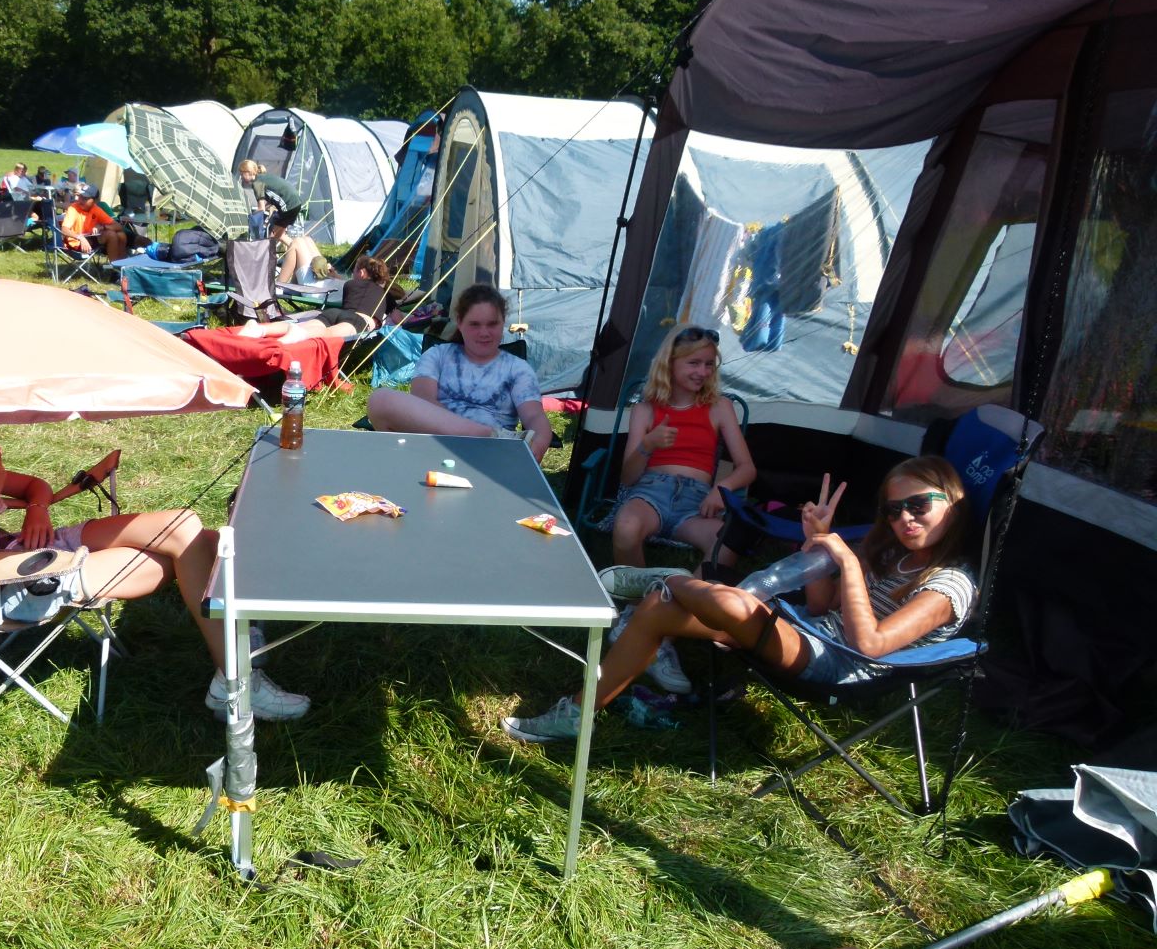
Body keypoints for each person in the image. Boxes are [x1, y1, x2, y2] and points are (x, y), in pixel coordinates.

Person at [501, 456, 977, 742]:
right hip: (810, 631)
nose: (905, 518)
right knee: (658, 609)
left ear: (953, 505)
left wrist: (849, 563)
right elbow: (821, 607)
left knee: (735, 605)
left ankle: (670, 578)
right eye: (894, 510)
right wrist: (817, 546)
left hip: (842, 663)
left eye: (919, 505)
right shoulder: (891, 554)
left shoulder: (949, 585)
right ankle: (578, 714)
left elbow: (869, 645)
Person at [0, 415, 309, 720]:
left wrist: (36, 509)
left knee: (188, 529)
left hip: (28, 548)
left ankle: (233, 656)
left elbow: (36, 486)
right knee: (193, 551)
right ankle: (236, 683)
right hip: (10, 585)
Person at [612, 325, 755, 570]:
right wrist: (648, 444)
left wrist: (722, 488)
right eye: (694, 363)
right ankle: (637, 593)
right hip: (650, 495)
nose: (703, 372)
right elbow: (628, 478)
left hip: (697, 503)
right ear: (669, 362)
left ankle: (684, 593)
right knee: (626, 526)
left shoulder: (719, 407)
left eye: (709, 364)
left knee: (730, 541)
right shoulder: (645, 410)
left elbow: (747, 468)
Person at [368, 284, 554, 462]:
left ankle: (496, 438)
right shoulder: (438, 355)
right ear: (460, 322)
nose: (484, 333)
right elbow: (423, 402)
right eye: (475, 324)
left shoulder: (517, 368)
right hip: (433, 444)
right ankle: (493, 435)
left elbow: (534, 416)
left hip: (490, 455)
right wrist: (472, 432)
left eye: (492, 324)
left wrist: (539, 443)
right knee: (380, 399)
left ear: (503, 323)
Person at [239, 255, 399, 343]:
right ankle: (299, 336)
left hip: (334, 313)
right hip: (360, 321)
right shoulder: (384, 293)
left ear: (362, 273)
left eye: (355, 270)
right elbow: (398, 317)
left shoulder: (350, 284)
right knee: (327, 334)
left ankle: (260, 329)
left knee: (303, 324)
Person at [238, 159, 304, 243]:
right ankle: (297, 248)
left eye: (242, 174)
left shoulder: (257, 183)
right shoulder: (263, 177)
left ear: (248, 172)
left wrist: (250, 217)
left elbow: (261, 209)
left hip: (288, 205)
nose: (241, 177)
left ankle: (268, 251)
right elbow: (272, 198)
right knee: (279, 236)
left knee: (271, 239)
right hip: (295, 203)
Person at [60, 184, 128, 261]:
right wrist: (80, 238)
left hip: (90, 238)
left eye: (85, 198)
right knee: (111, 234)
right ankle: (115, 265)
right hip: (75, 241)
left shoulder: (96, 209)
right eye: (80, 196)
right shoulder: (73, 208)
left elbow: (118, 226)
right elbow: (64, 230)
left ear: (95, 201)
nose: (80, 200)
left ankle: (122, 265)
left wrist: (102, 227)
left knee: (121, 235)